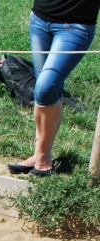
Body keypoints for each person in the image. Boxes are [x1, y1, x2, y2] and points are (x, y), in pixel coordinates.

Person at [8, 0, 100, 176]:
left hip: (75, 26)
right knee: (49, 90)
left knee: (45, 88)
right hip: (39, 19)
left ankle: (43, 159)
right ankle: (40, 156)